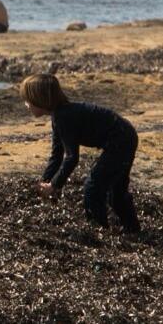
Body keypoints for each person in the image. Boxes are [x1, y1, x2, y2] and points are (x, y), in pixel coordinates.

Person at [21, 73, 141, 233]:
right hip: (125, 134)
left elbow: (72, 157)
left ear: (40, 100)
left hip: (120, 138)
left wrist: (55, 185)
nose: (26, 105)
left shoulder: (64, 117)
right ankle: (133, 230)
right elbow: (57, 154)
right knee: (116, 193)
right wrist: (45, 182)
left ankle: (99, 231)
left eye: (28, 100)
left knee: (93, 187)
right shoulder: (59, 116)